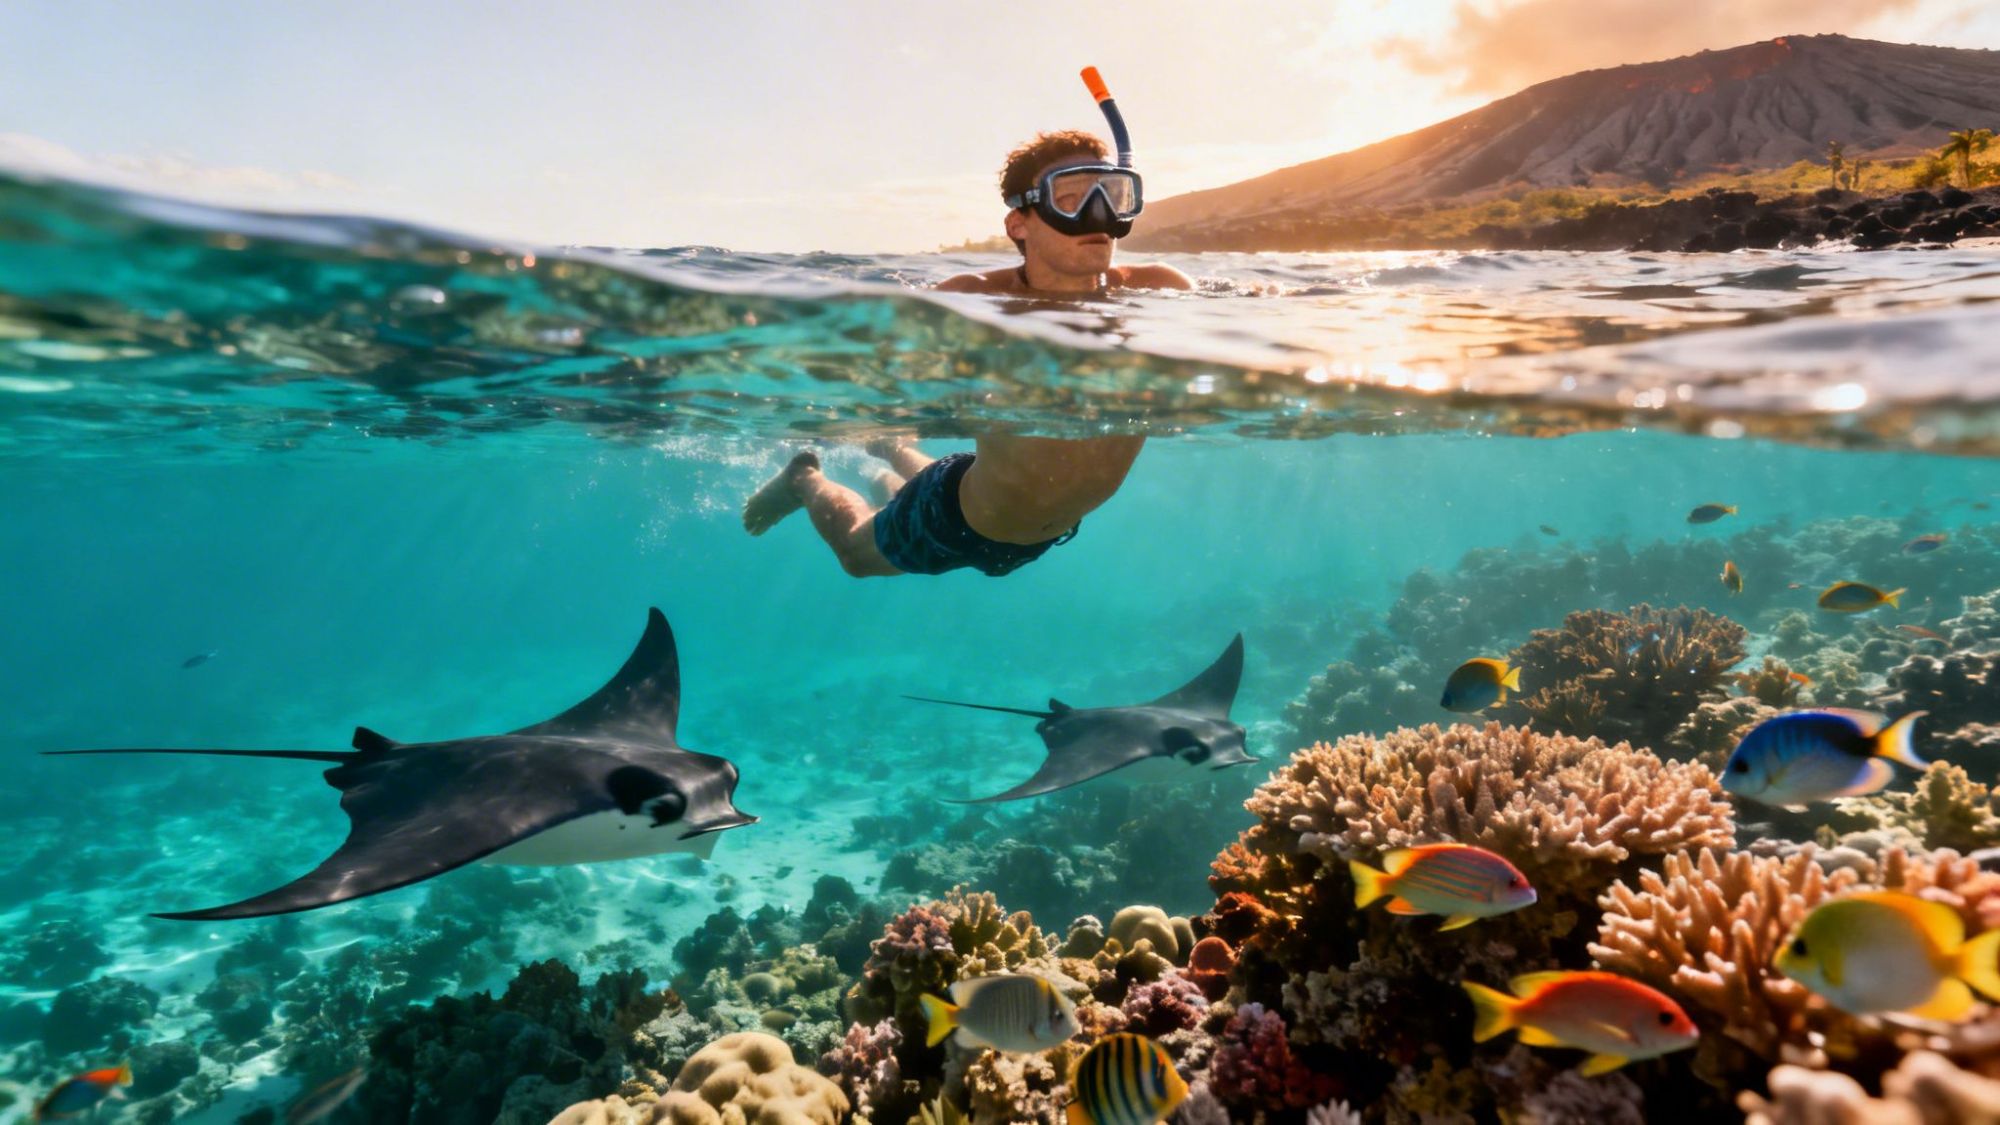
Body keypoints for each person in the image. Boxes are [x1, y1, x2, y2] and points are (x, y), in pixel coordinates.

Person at [742, 71, 1192, 577]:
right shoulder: (974, 298)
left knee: (930, 484)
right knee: (854, 555)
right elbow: (876, 354)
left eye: (1111, 193)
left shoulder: (1160, 288)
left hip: (1035, 535)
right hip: (949, 518)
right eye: (1070, 198)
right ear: (1019, 223)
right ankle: (805, 478)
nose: (1097, 215)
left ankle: (892, 447)